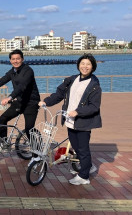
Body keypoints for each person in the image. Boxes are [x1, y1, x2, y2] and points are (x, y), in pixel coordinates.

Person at [39, 53, 102, 185]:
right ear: (78, 65)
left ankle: (84, 177)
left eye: (88, 64)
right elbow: (59, 94)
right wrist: (46, 102)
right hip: (69, 120)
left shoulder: (94, 85)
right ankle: (88, 166)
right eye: (82, 63)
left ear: (93, 67)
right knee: (77, 147)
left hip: (83, 122)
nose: (85, 67)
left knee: (83, 149)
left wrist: (77, 112)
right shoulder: (72, 79)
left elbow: (94, 107)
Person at [0, 49, 40, 154]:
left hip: (31, 103)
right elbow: (1, 81)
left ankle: (37, 155)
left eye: (18, 59)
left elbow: (22, 86)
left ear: (22, 59)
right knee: (3, 118)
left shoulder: (28, 71)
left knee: (29, 129)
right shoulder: (12, 71)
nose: (15, 61)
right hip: (20, 101)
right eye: (13, 59)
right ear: (10, 60)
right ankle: (4, 144)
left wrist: (10, 97)